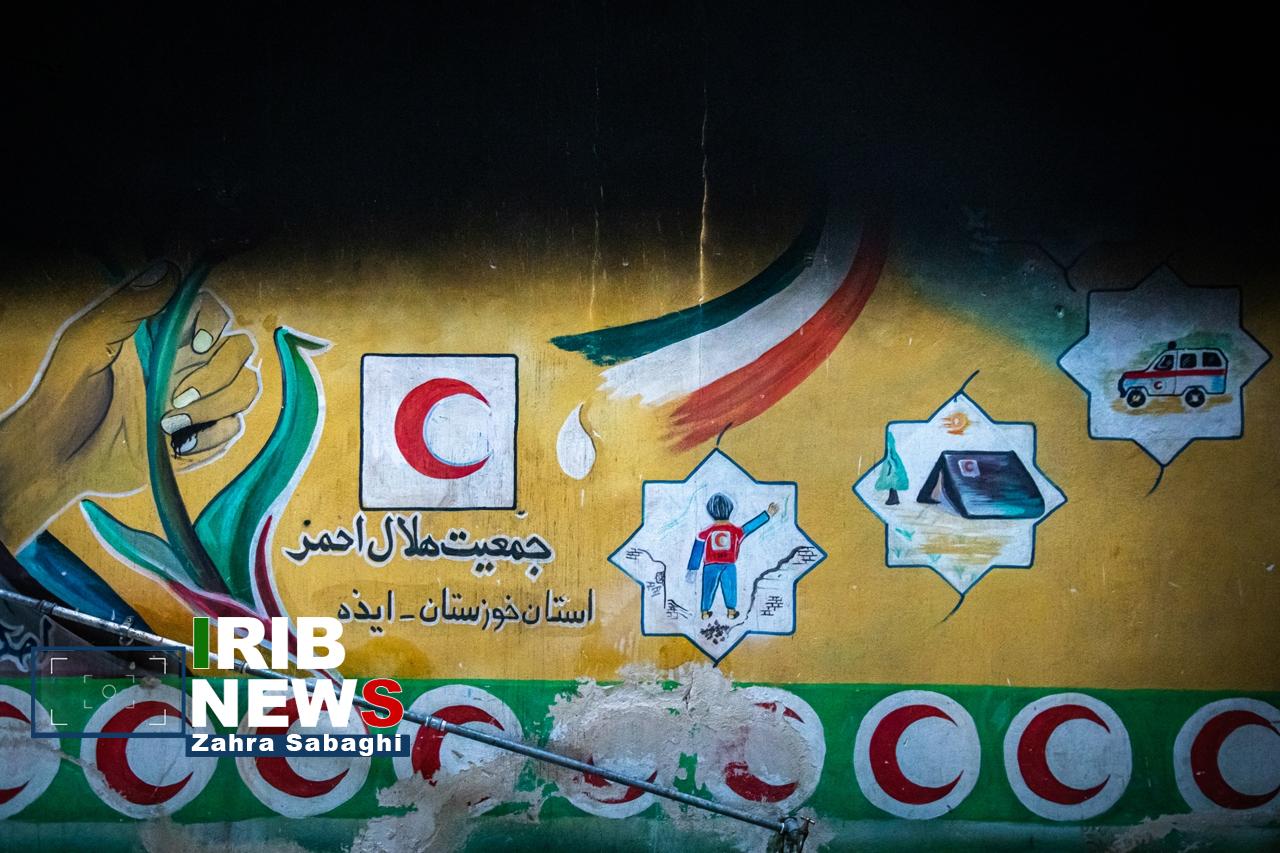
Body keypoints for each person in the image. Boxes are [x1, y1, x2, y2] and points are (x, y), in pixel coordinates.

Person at [686, 493, 778, 620]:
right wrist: (767, 514)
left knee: (708, 588)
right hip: (729, 565)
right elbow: (750, 527)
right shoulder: (736, 531)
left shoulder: (705, 532)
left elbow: (697, 550)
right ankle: (731, 612)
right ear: (730, 509)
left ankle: (705, 612)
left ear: (710, 511)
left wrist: (692, 569)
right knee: (730, 587)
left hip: (710, 566)